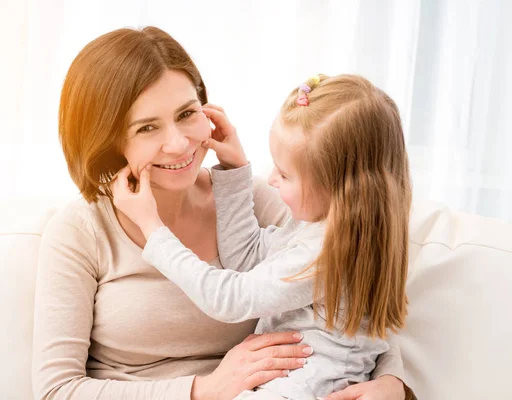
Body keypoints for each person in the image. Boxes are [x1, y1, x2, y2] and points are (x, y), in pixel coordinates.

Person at [31, 26, 416, 400]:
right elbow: (57, 390)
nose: (179, 144)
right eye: (147, 127)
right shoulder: (80, 231)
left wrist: (391, 384)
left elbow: (350, 295)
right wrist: (205, 390)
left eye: (186, 114)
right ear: (106, 141)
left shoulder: (260, 197)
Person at [110, 73, 411, 400]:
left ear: (338, 189)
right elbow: (247, 258)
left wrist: (153, 230)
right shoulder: (328, 229)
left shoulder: (327, 254)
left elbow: (229, 298)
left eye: (284, 174)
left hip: (302, 389)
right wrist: (234, 171)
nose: (271, 180)